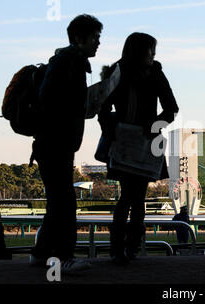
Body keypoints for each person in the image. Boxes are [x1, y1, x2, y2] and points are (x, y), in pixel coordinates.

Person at [98, 32, 179, 265]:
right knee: (134, 197)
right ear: (139, 52)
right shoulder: (143, 73)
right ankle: (128, 247)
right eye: (150, 52)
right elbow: (170, 111)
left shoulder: (127, 71)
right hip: (133, 142)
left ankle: (122, 248)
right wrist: (151, 127)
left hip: (132, 142)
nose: (153, 56)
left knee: (129, 197)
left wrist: (115, 126)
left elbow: (171, 109)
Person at [30, 14, 102, 272]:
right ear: (79, 38)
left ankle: (40, 254)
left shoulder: (66, 61)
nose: (98, 43)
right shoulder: (69, 62)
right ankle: (63, 257)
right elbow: (51, 101)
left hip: (52, 142)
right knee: (65, 202)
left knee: (57, 202)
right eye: (95, 37)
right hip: (56, 142)